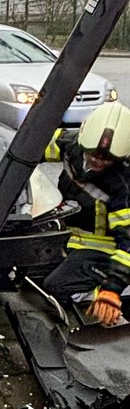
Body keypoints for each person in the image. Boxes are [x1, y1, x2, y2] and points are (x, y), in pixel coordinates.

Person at [42, 102, 130, 325]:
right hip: (68, 237)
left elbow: (128, 242)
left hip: (104, 251)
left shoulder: (122, 185)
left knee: (56, 287)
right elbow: (31, 147)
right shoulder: (70, 144)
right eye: (93, 154)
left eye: (107, 159)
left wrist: (112, 289)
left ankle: (112, 299)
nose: (98, 161)